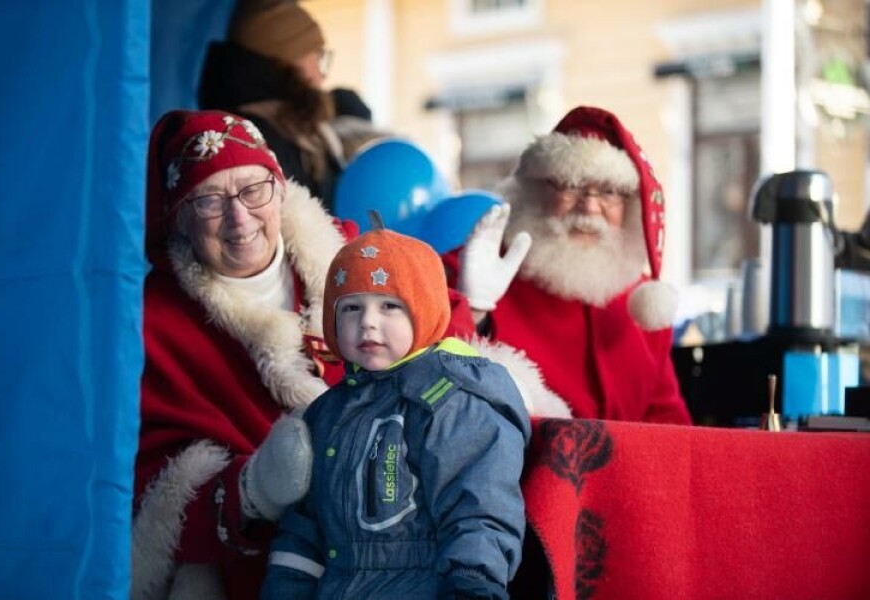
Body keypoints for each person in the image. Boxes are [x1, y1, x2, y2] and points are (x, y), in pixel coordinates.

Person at [131, 109, 562, 600]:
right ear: (180, 218)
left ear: (279, 187)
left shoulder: (354, 255)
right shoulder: (155, 327)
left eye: (253, 190)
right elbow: (154, 501)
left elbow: (436, 363)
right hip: (262, 564)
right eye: (209, 200)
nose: (239, 217)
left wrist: (473, 307)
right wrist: (255, 489)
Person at [261, 225, 531, 600]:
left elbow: (478, 507)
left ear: (424, 310)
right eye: (352, 307)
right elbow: (305, 526)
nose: (368, 321)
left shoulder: (452, 398)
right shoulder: (325, 414)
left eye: (389, 305)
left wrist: (473, 584)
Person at [453, 106, 692, 424]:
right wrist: (472, 311)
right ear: (535, 191)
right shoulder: (479, 267)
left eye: (609, 191)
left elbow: (670, 427)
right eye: (571, 184)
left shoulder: (642, 303)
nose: (590, 206)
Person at [198, 0, 350, 211]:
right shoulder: (254, 135)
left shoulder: (289, 125)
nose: (323, 74)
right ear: (289, 59)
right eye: (319, 57)